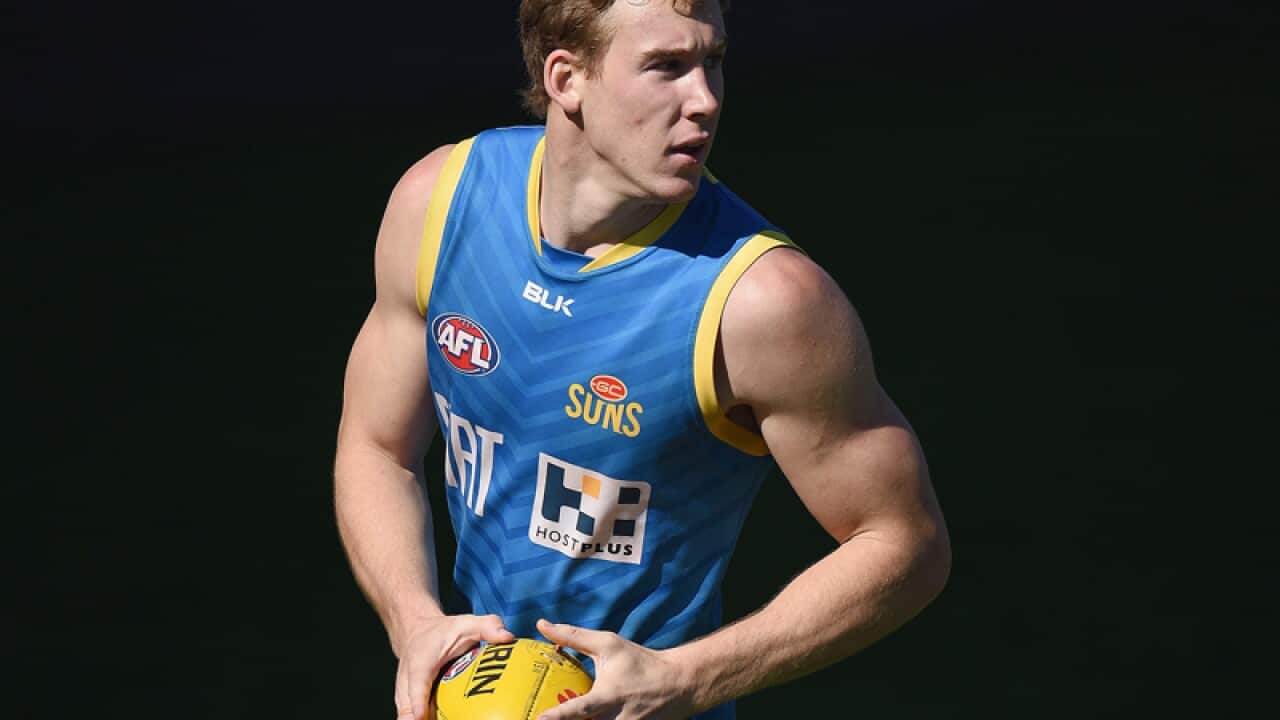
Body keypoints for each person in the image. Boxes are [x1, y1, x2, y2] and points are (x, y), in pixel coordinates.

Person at [333, 1, 951, 718]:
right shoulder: (439, 204)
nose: (706, 101)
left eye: (713, 61)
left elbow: (905, 542)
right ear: (567, 79)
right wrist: (415, 623)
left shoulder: (762, 303)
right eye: (667, 67)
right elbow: (377, 447)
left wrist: (689, 678)